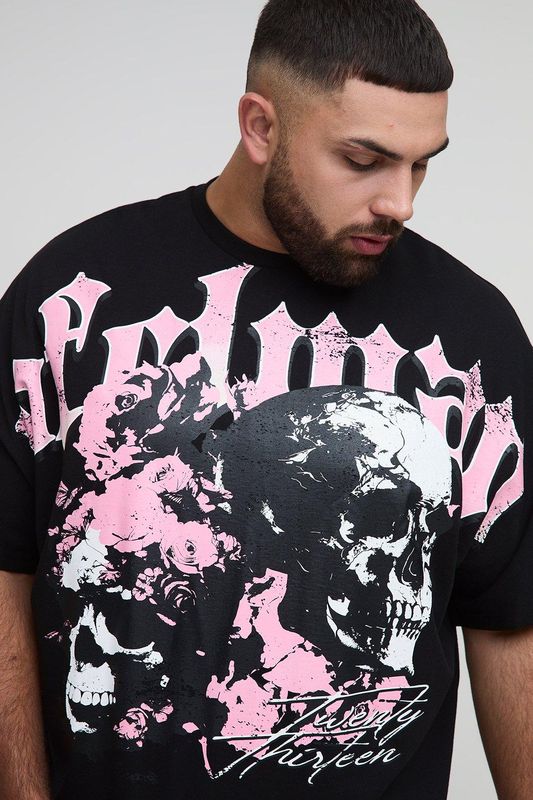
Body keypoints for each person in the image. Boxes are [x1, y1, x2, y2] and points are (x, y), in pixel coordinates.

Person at [0, 0, 532, 798]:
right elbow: (6, 572)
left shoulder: (471, 334)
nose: (401, 201)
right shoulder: (76, 298)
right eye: (363, 160)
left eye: (421, 164)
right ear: (260, 126)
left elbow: (508, 622)